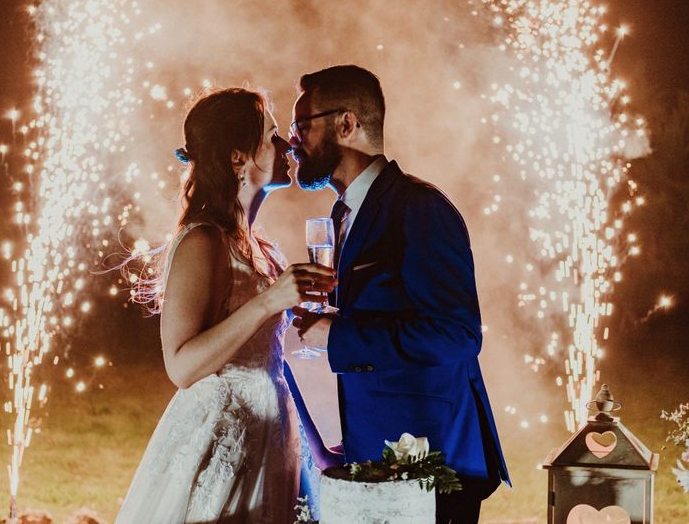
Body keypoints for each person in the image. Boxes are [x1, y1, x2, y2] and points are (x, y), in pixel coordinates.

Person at [289, 65, 510, 523]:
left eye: (303, 126)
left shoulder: (420, 208)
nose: (295, 141)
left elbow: (457, 334)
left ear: (346, 124)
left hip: (433, 459)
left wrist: (340, 336)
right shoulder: (342, 212)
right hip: (375, 453)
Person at [115, 87, 336, 524]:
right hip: (221, 441)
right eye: (273, 136)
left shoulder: (262, 248)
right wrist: (270, 301)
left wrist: (317, 448)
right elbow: (181, 366)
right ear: (238, 158)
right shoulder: (203, 240)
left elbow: (273, 360)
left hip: (273, 435)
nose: (287, 144)